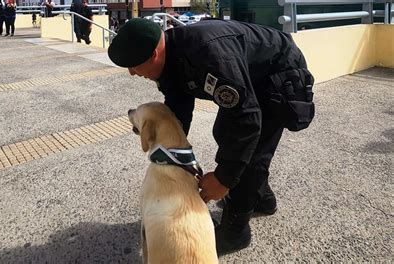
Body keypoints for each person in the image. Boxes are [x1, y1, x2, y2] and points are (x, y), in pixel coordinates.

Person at [108, 18, 315, 256]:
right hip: (249, 76)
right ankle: (260, 197)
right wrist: (173, 161)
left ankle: (235, 232)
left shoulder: (208, 55)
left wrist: (223, 180)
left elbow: (247, 119)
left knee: (250, 151)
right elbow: (178, 112)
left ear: (154, 54)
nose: (131, 73)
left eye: (133, 65)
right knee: (225, 134)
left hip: (279, 74)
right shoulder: (171, 59)